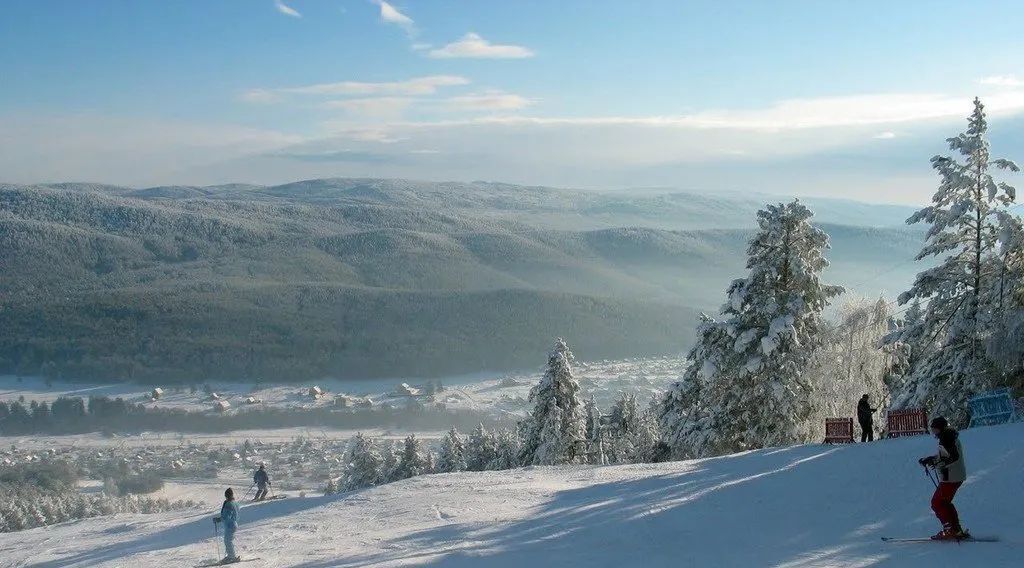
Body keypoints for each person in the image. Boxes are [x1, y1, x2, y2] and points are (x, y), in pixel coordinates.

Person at [918, 416, 968, 540]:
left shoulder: (947, 438)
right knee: (944, 502)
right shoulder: (948, 436)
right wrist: (931, 459)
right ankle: (956, 529)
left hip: (951, 477)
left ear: (940, 428)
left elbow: (952, 457)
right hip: (954, 476)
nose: (933, 432)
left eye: (934, 429)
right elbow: (946, 456)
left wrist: (936, 462)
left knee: (937, 503)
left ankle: (949, 530)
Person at [213, 487, 241, 563]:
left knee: (228, 541)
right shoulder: (235, 503)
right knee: (228, 541)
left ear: (226, 495)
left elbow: (226, 516)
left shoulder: (229, 504)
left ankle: (231, 557)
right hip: (233, 524)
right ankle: (230, 556)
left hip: (230, 525)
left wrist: (218, 519)